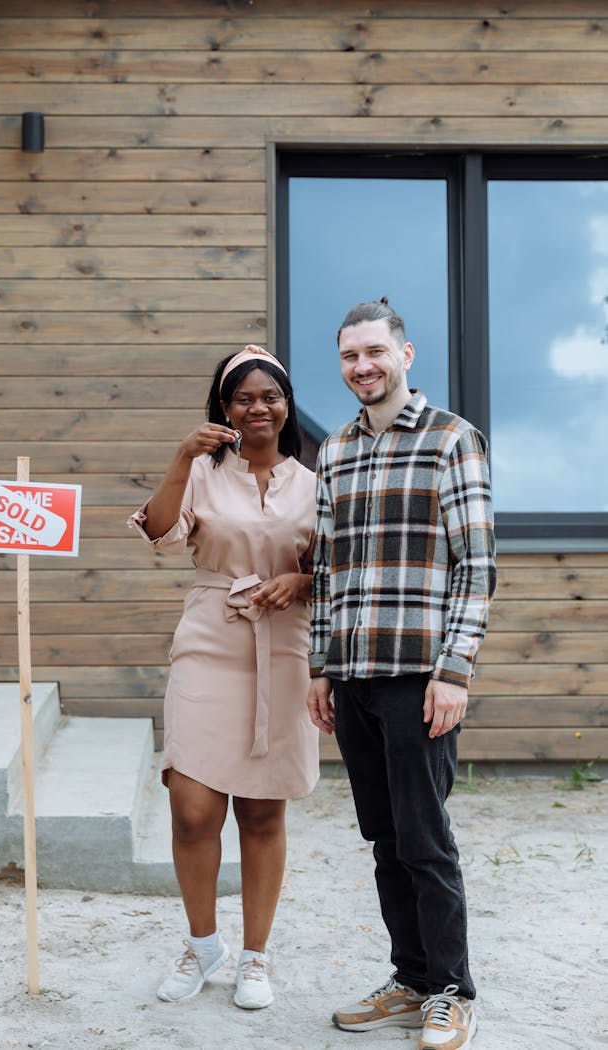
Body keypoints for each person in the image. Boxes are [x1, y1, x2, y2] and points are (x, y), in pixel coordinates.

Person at [307, 298, 496, 1050]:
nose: (363, 366)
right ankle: (411, 979)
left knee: (425, 840)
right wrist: (320, 668)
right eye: (350, 355)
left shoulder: (453, 439)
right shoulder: (335, 452)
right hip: (351, 677)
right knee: (384, 837)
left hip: (419, 678)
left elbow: (476, 567)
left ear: (405, 355)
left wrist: (454, 671)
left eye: (375, 353)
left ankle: (453, 991)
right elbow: (324, 570)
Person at [127, 345, 319, 1011]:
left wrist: (301, 579)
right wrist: (182, 456)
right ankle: (201, 943)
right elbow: (157, 531)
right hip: (209, 641)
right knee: (192, 809)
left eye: (270, 395)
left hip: (284, 648)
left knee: (263, 811)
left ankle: (256, 956)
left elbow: (333, 565)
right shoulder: (204, 473)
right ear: (224, 409)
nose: (257, 406)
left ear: (287, 405)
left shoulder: (315, 481)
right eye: (243, 397)